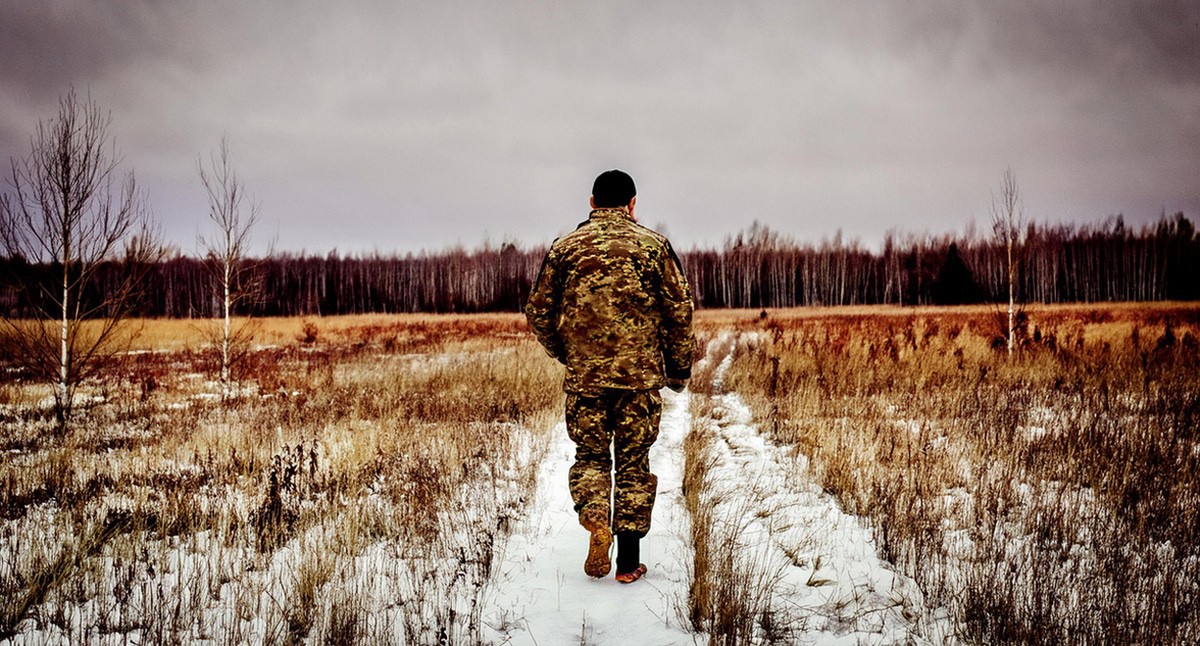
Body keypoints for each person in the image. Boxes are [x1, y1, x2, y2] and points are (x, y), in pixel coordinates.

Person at [524, 169, 695, 584]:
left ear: (592, 201)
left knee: (591, 458)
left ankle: (597, 522)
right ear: (632, 204)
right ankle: (627, 564)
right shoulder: (654, 246)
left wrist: (568, 354)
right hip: (639, 380)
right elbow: (679, 311)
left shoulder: (565, 248)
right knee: (634, 463)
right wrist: (678, 370)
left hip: (587, 379)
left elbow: (538, 311)